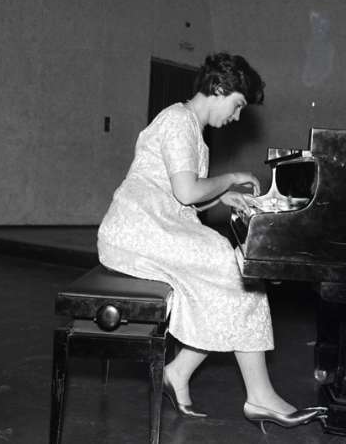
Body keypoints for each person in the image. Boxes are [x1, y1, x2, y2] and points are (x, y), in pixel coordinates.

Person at [97, 52, 324, 432]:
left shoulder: (191, 129)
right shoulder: (177, 120)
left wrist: (221, 197)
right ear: (218, 88)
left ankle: (179, 373)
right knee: (235, 267)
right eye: (237, 104)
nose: (236, 116)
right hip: (134, 230)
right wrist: (231, 178)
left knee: (231, 274)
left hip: (155, 225)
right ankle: (259, 396)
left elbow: (180, 195)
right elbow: (186, 192)